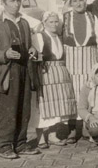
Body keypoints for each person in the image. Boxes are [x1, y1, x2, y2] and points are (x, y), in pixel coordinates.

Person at [0, 0, 40, 159]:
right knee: (9, 111)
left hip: (25, 71)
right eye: (12, 1)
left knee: (24, 110)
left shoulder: (24, 22)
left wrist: (32, 50)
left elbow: (29, 44)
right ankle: (5, 146)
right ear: (3, 3)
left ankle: (21, 144)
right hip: (7, 74)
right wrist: (4, 54)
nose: (16, 5)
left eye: (18, 1)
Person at [63, 0, 98, 142]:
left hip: (89, 61)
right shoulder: (64, 18)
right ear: (70, 3)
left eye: (80, 0)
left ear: (85, 1)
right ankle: (72, 130)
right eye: (74, 1)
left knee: (90, 94)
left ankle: (88, 127)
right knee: (72, 95)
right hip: (71, 63)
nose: (78, 3)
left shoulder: (92, 17)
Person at [31, 11, 77, 149]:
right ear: (44, 23)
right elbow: (33, 57)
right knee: (43, 105)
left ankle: (52, 135)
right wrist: (39, 68)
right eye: (51, 22)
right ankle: (40, 138)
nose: (54, 24)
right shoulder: (39, 37)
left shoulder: (58, 37)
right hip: (46, 75)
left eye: (56, 21)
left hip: (60, 74)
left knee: (56, 107)